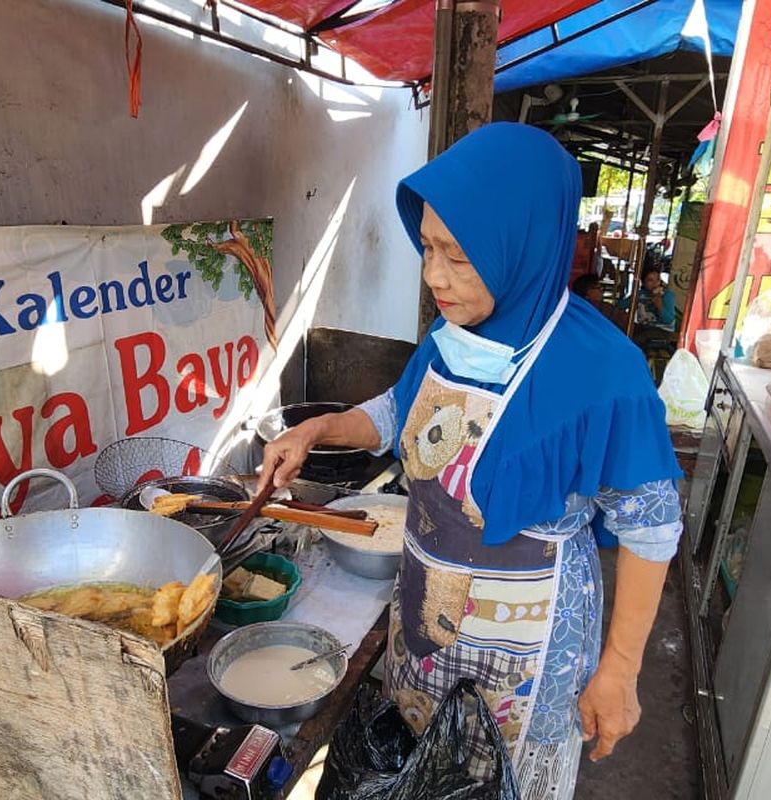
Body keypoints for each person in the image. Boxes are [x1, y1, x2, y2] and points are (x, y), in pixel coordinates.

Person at [257, 123, 682, 797]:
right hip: (425, 630)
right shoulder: (452, 335)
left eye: (457, 256)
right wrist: (319, 430)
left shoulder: (606, 373)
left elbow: (650, 527)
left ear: (522, 242)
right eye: (427, 248)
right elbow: (398, 411)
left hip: (526, 662)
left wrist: (620, 670)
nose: (434, 277)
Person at [617, 264, 677, 350]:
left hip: (663, 330)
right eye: (650, 280)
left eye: (657, 279)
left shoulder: (667, 295)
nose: (655, 283)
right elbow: (621, 306)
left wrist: (660, 306)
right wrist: (632, 298)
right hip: (644, 327)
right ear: (644, 283)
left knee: (640, 338)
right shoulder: (640, 294)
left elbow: (668, 320)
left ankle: (628, 350)